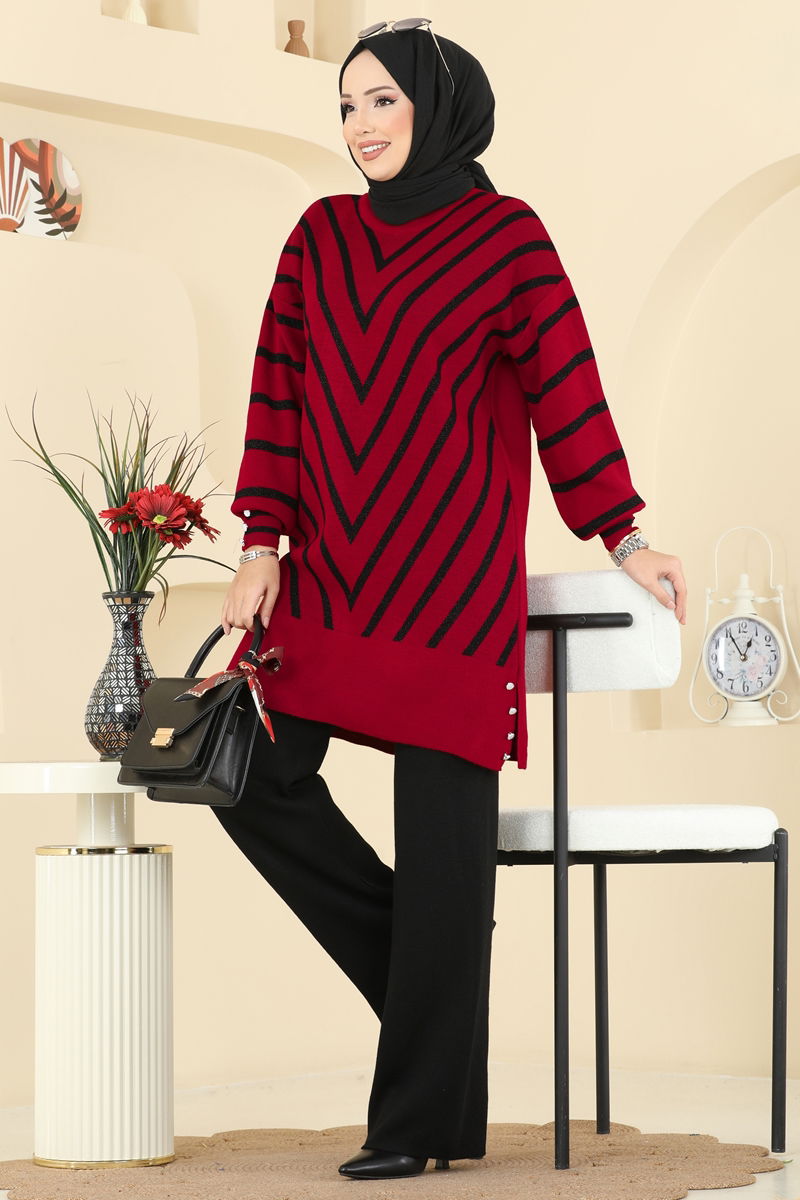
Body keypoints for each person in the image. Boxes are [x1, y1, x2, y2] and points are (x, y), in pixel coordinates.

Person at [211, 20, 687, 1182]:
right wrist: (260, 541)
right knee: (245, 774)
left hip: (450, 590)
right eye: (346, 105)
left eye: (381, 100)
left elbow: (565, 388)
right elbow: (277, 393)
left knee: (441, 857)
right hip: (327, 579)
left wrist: (623, 534)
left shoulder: (504, 237)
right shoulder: (318, 239)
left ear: (438, 105)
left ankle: (416, 1128)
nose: (360, 125)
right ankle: (437, 991)